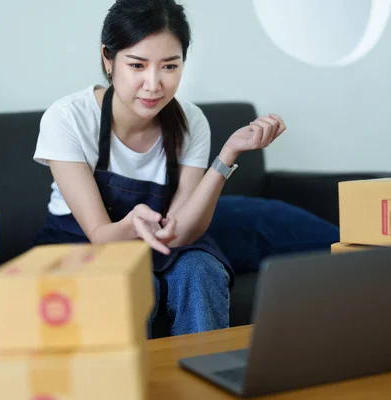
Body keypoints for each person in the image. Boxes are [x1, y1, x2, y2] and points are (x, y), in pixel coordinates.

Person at [32, 0, 287, 338]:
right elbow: (101, 234)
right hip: (85, 240)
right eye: (137, 65)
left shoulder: (192, 121)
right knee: (136, 283)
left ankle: (205, 382)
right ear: (108, 59)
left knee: (201, 271)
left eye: (169, 66)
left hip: (163, 239)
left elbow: (181, 232)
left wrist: (227, 155)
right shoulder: (68, 119)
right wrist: (134, 220)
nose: (153, 84)